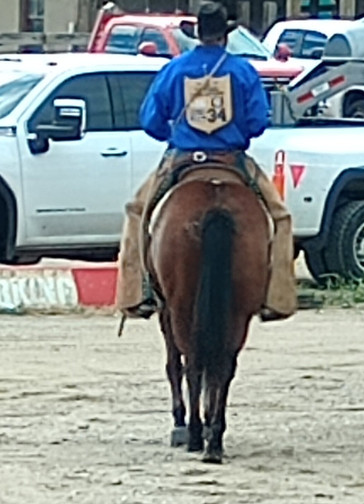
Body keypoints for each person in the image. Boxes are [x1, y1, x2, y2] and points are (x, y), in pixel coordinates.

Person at [116, 1, 297, 323]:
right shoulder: (242, 70)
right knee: (280, 217)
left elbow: (151, 121)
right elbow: (257, 122)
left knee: (136, 212)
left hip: (182, 159)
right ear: (225, 36)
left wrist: (174, 131)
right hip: (232, 159)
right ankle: (277, 295)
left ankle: (137, 292)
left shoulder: (175, 69)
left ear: (196, 34)